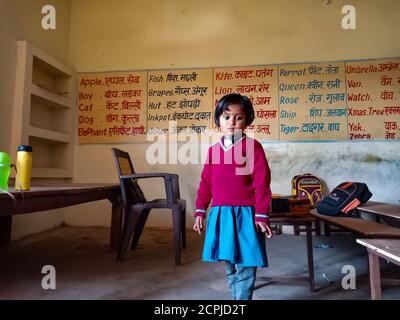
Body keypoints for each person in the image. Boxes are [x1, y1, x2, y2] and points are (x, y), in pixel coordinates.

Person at [193, 93, 273, 300]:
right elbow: (206, 183)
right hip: (221, 214)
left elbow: (261, 184)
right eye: (226, 116)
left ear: (247, 121)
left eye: (238, 117)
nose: (232, 122)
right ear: (218, 119)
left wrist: (262, 215)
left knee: (246, 265)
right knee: (229, 263)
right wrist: (200, 210)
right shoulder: (213, 151)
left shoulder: (253, 148)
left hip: (246, 214)